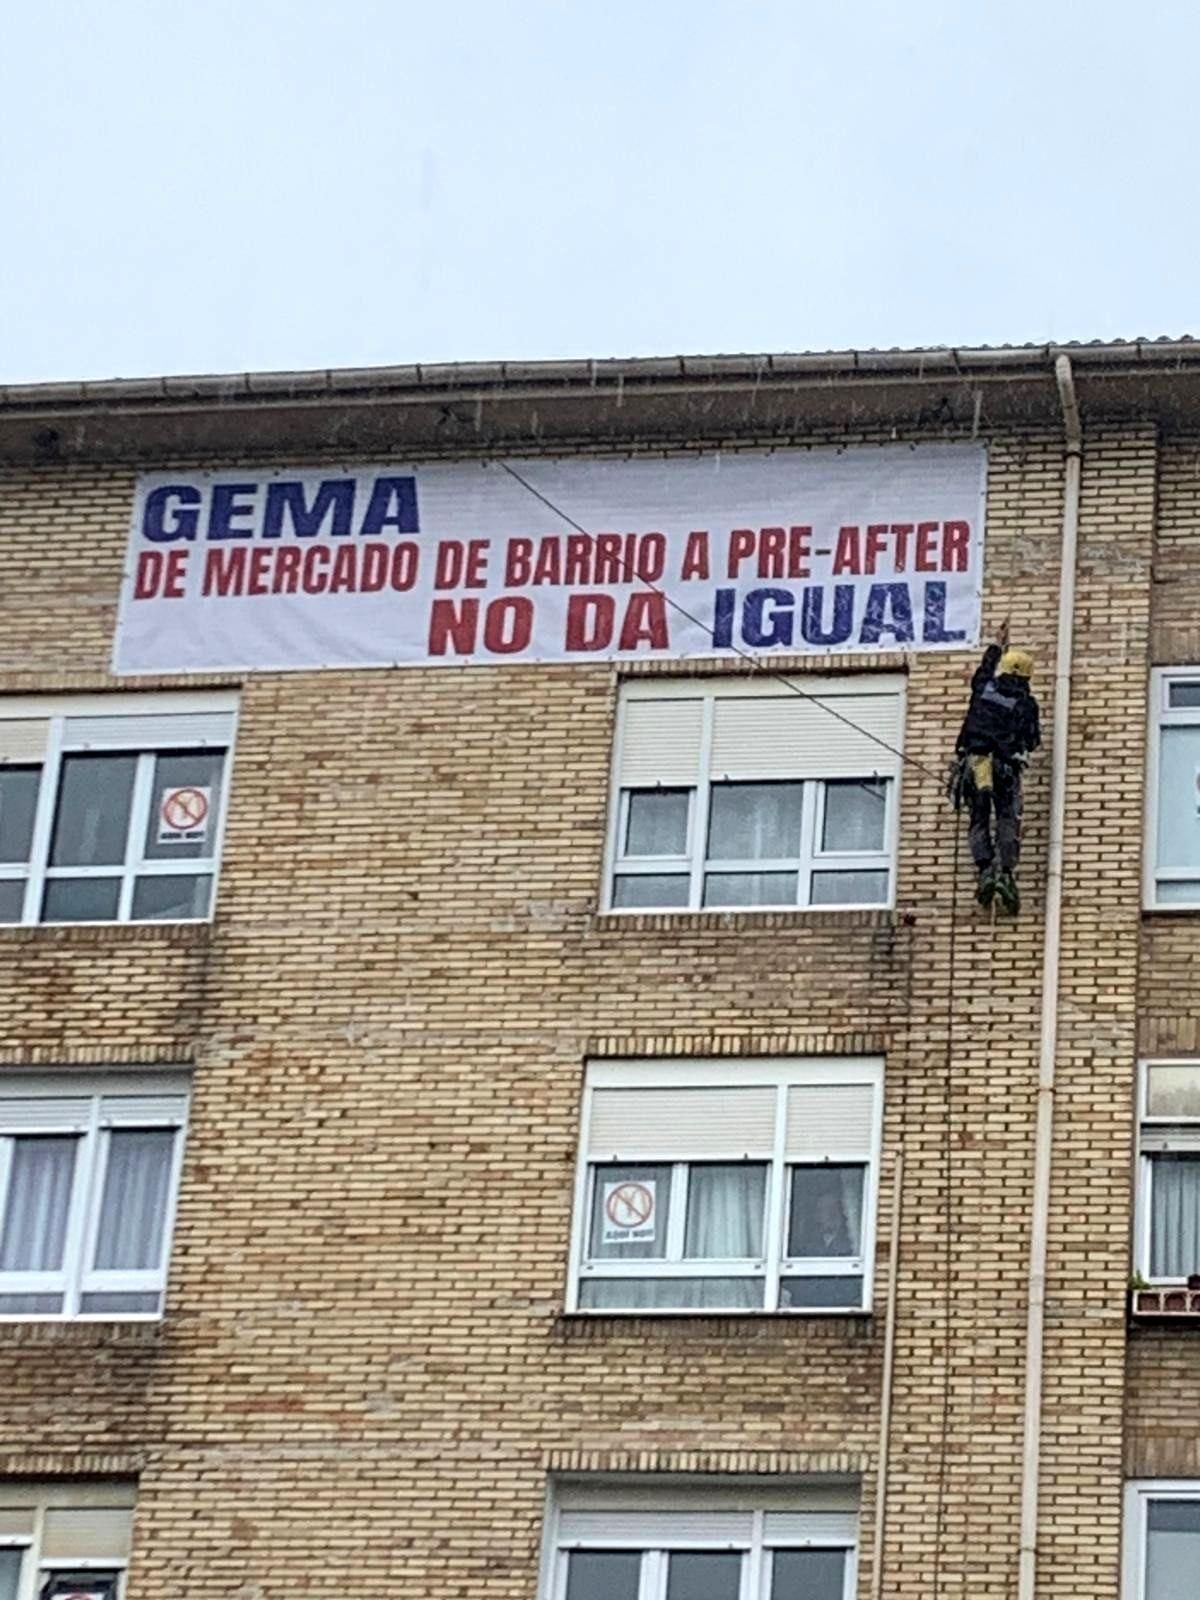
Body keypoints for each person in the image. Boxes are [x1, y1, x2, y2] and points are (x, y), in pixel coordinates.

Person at [955, 621, 1040, 913]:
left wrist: (997, 644)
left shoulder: (984, 688)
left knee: (979, 816)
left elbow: (984, 669)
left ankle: (984, 869)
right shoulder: (1026, 704)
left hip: (977, 761)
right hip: (1005, 765)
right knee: (1006, 816)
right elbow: (1032, 740)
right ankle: (1005, 872)